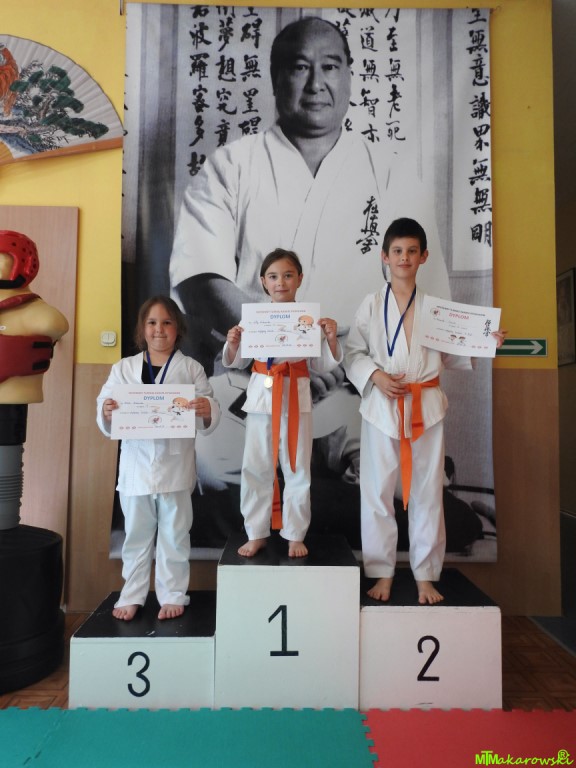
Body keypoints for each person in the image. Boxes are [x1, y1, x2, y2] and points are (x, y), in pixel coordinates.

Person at [169, 16, 451, 500]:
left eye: (331, 66)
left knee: (407, 475)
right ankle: (322, 492)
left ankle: (326, 485)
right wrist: (292, 349)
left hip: (356, 377)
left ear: (349, 76)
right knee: (211, 465)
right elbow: (202, 282)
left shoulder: (391, 173)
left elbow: (422, 298)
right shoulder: (232, 165)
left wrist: (345, 364)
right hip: (258, 375)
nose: (317, 83)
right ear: (276, 77)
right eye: (301, 67)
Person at [344, 219, 505, 604]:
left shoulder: (435, 309)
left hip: (426, 408)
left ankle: (425, 576)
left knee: (428, 493)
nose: (404, 258)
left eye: (412, 251)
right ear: (385, 257)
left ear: (424, 257)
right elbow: (353, 354)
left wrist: (486, 343)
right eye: (397, 251)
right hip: (381, 407)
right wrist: (376, 376)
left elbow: (451, 354)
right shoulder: (371, 304)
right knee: (377, 493)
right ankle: (381, 572)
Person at [96, 296, 220, 621]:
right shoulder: (124, 368)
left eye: (167, 322)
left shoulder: (190, 368)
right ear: (142, 329)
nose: (159, 329)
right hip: (136, 468)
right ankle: (132, 594)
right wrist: (106, 410)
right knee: (136, 536)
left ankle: (173, 594)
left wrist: (207, 409)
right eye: (152, 323)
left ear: (178, 328)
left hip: (175, 466)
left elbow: (209, 406)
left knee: (175, 535)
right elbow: (104, 404)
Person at [222, 248, 341, 558]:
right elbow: (238, 361)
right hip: (261, 398)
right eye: (273, 276)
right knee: (256, 466)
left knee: (297, 467)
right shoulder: (254, 319)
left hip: (295, 398)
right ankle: (256, 532)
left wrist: (330, 339)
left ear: (299, 279)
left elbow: (320, 365)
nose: (281, 282)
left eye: (288, 275)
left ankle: (295, 533)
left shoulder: (309, 320)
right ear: (263, 281)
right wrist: (233, 343)